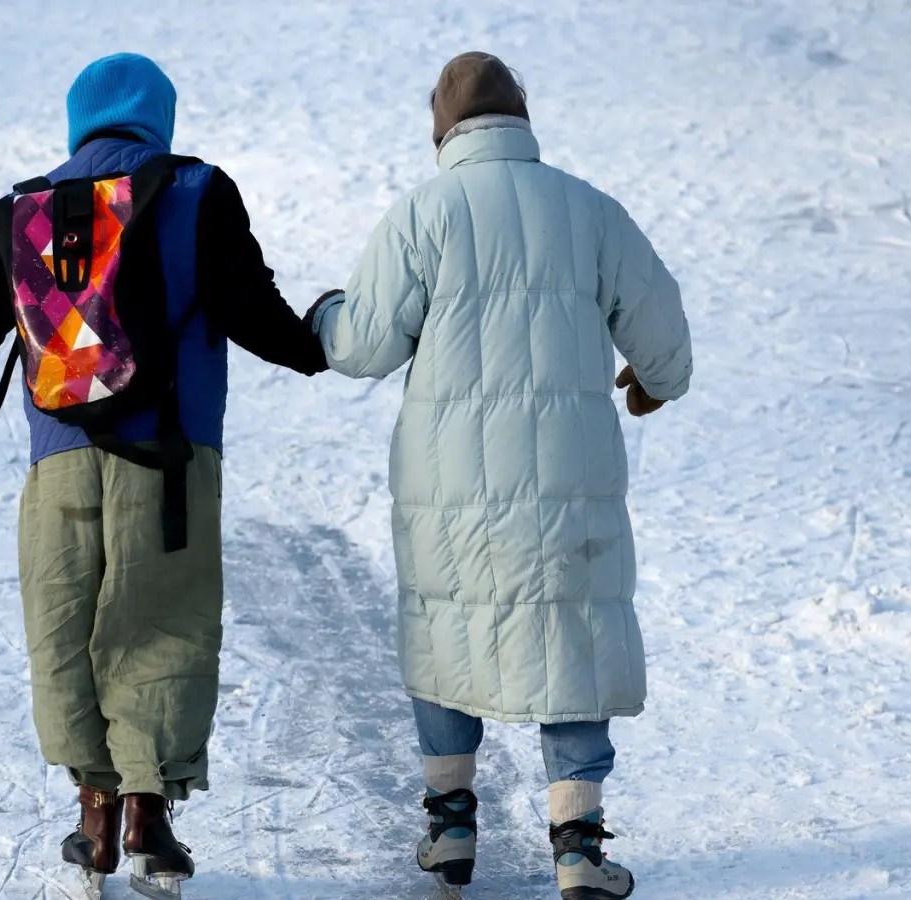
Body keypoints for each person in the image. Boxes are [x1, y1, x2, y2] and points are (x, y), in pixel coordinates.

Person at [0, 52, 326, 897]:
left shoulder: (26, 213)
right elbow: (252, 308)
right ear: (159, 117)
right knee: (161, 622)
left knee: (67, 627)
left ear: (77, 120)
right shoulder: (196, 191)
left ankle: (93, 818)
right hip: (172, 456)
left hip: (59, 463)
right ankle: (147, 814)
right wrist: (319, 346)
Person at [307, 51, 693, 900]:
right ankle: (580, 848)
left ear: (443, 132)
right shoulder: (589, 210)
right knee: (573, 630)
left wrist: (328, 313)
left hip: (448, 480)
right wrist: (656, 380)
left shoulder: (422, 214)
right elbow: (663, 327)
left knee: (447, 625)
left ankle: (449, 832)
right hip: (568, 471)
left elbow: (363, 346)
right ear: (523, 119)